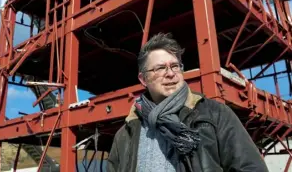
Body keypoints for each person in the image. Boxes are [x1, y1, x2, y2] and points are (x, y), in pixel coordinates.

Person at [106, 33, 269, 172]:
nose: (170, 73)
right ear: (143, 79)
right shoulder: (125, 134)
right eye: (160, 68)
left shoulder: (215, 115)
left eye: (175, 66)